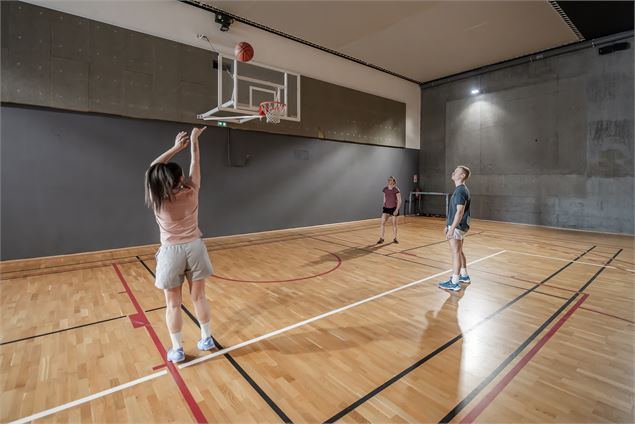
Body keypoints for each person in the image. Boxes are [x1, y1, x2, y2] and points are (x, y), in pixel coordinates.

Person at [145, 127, 215, 363]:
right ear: (181, 179)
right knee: (200, 298)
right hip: (194, 247)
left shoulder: (158, 199)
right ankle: (206, 339)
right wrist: (193, 140)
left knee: (173, 305)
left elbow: (151, 168)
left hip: (171, 253)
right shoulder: (192, 191)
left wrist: (175, 147)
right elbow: (196, 159)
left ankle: (177, 350)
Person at [438, 166, 472, 291]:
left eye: (456, 171)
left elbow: (459, 212)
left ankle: (455, 282)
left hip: (457, 226)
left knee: (455, 253)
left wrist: (451, 229)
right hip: (458, 226)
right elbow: (455, 212)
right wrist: (447, 225)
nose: (453, 172)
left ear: (462, 176)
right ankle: (464, 276)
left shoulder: (460, 191)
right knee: (459, 251)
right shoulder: (461, 190)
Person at [377, 176, 402, 244]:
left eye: (391, 180)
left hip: (394, 208)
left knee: (394, 224)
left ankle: (395, 238)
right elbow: (384, 197)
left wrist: (397, 209)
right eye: (388, 180)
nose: (389, 181)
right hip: (386, 208)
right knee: (382, 223)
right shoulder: (385, 189)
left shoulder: (396, 189)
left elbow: (399, 200)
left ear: (394, 181)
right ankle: (381, 238)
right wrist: (384, 205)